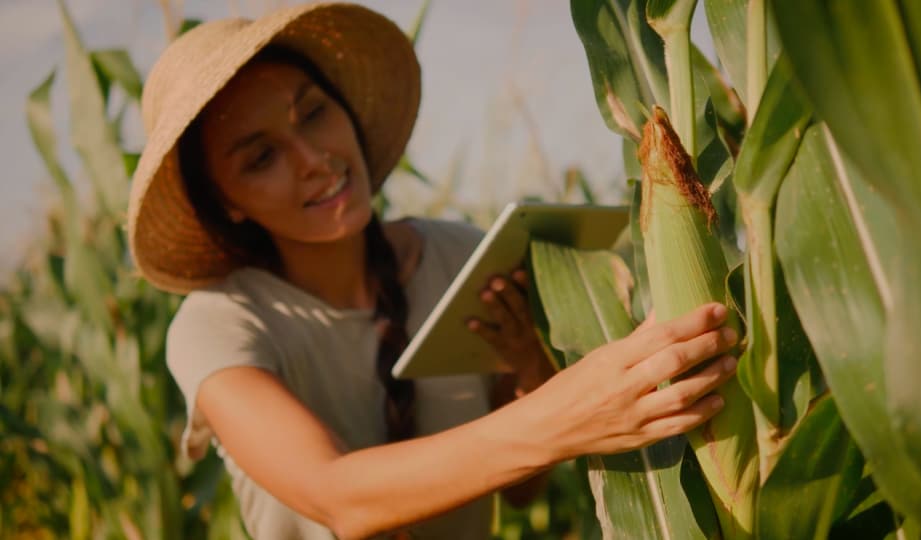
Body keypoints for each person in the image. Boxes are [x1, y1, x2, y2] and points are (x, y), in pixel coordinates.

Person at [127, 3, 740, 539]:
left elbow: (518, 491)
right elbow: (340, 500)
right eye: (262, 156)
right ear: (226, 202)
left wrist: (528, 369)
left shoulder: (463, 259)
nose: (314, 159)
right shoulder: (216, 326)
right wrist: (566, 413)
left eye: (313, 114)